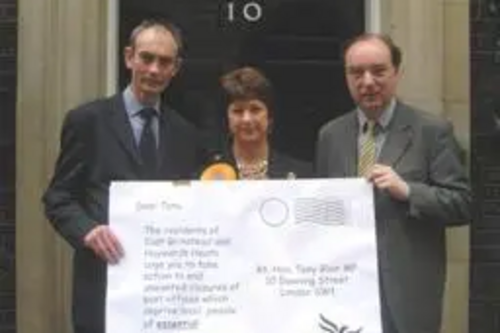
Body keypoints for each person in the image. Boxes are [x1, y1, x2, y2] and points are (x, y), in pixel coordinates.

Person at [42, 19, 202, 333]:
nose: (154, 70)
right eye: (147, 58)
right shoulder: (87, 121)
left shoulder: (185, 133)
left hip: (165, 295)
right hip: (103, 286)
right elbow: (58, 197)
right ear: (129, 57)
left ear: (176, 68)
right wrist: (87, 230)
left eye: (165, 62)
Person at [315, 33, 471, 333]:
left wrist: (409, 191)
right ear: (347, 78)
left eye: (378, 70)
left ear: (397, 72)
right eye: (357, 73)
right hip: (346, 289)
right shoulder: (330, 136)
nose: (368, 81)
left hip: (407, 291)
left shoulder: (432, 131)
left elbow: (462, 203)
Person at [204, 66, 311, 179]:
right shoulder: (206, 174)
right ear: (227, 118)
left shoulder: (302, 174)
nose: (247, 119)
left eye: (255, 109)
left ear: (269, 117)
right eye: (238, 111)